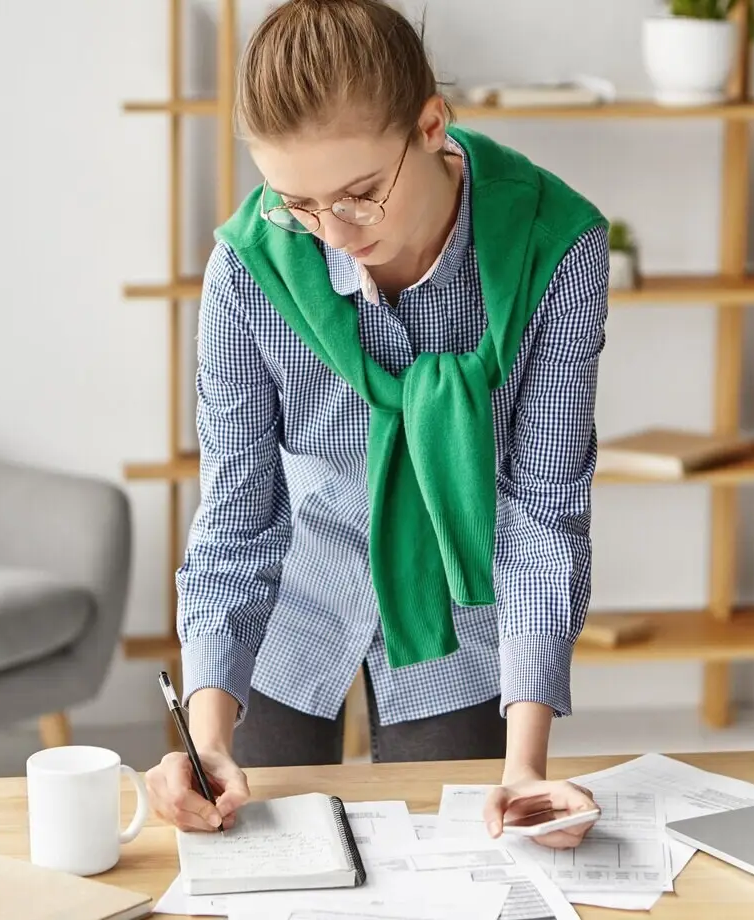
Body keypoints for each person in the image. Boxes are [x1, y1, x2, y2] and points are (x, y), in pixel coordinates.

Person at [144, 0, 608, 850]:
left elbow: (542, 511)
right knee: (263, 861)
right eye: (298, 203)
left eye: (360, 195)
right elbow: (238, 515)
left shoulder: (556, 248)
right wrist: (206, 742)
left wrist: (525, 767)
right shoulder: (249, 268)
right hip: (292, 597)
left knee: (462, 864)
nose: (332, 234)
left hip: (460, 609)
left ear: (431, 126)